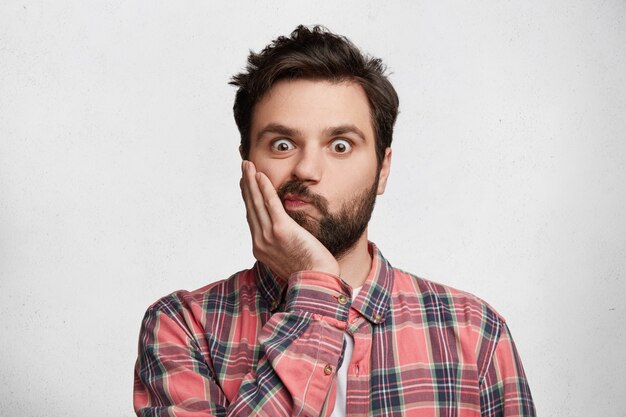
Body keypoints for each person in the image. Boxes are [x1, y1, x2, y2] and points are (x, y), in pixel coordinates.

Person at [133, 25, 535, 417]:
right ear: (247, 163)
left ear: (382, 170)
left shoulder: (475, 332)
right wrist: (315, 290)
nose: (307, 169)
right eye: (282, 144)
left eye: (340, 145)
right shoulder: (184, 326)